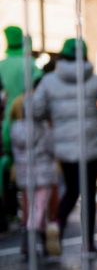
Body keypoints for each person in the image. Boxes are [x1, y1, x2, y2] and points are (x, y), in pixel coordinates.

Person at [33, 37, 97, 257]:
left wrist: (55, 116)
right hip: (90, 146)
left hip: (63, 148)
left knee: (70, 190)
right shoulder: (96, 80)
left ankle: (57, 225)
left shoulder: (49, 81)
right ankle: (88, 244)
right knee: (88, 194)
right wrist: (95, 113)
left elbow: (36, 110)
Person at [0, 26, 43, 233]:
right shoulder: (30, 64)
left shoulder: (2, 65)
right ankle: (31, 217)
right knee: (31, 173)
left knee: (8, 168)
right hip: (28, 119)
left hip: (7, 124)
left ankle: (9, 211)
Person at [9, 94, 60, 260]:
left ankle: (38, 244)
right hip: (43, 174)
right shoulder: (43, 128)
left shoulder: (15, 128)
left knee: (30, 208)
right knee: (39, 209)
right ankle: (31, 243)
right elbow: (51, 148)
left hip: (24, 175)